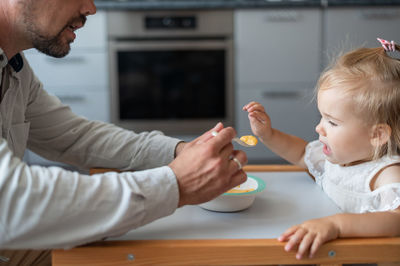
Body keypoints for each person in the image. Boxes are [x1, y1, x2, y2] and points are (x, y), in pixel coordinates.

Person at [0, 0, 248, 257]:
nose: (90, 8)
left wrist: (179, 152)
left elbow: (76, 138)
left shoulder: (14, 67)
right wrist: (176, 185)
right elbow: (11, 199)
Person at [243, 38, 400, 260]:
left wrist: (336, 225)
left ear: (377, 135)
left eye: (332, 122)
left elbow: (396, 220)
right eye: (322, 117)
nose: (319, 128)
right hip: (332, 254)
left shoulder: (386, 173)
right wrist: (268, 134)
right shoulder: (337, 156)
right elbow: (300, 153)